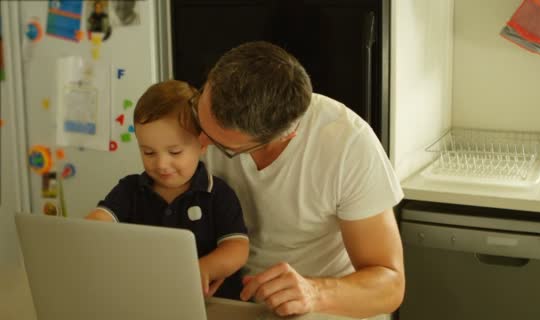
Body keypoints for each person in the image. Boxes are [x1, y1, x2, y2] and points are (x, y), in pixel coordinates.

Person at [193, 41, 405, 318]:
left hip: (325, 307)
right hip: (232, 301)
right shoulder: (199, 123)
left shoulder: (347, 143)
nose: (198, 142)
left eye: (222, 146)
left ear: (284, 137)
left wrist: (314, 293)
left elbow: (390, 286)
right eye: (198, 113)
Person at [86, 80, 249, 299]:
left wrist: (202, 269)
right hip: (146, 300)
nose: (161, 164)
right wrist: (88, 230)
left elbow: (237, 249)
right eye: (149, 153)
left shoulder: (217, 194)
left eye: (174, 152)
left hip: (211, 306)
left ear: (202, 145)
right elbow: (99, 220)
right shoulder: (129, 190)